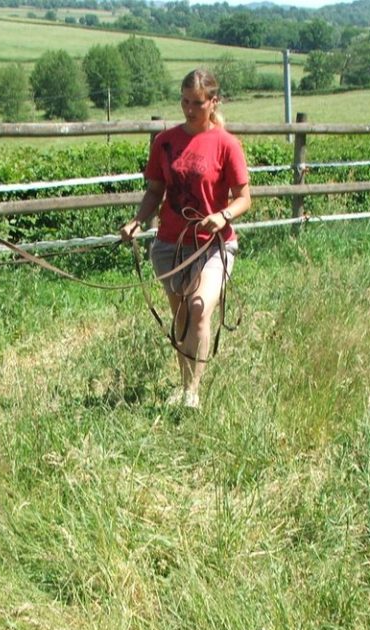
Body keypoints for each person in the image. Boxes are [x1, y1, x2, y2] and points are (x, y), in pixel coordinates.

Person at [120, 68, 251, 409]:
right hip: (169, 244)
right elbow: (155, 190)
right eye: (184, 102)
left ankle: (192, 392)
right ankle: (184, 382)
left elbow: (244, 198)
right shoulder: (165, 142)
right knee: (180, 315)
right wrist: (138, 220)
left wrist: (222, 215)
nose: (190, 109)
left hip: (213, 245)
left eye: (197, 103)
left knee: (199, 308)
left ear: (213, 102)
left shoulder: (227, 145)